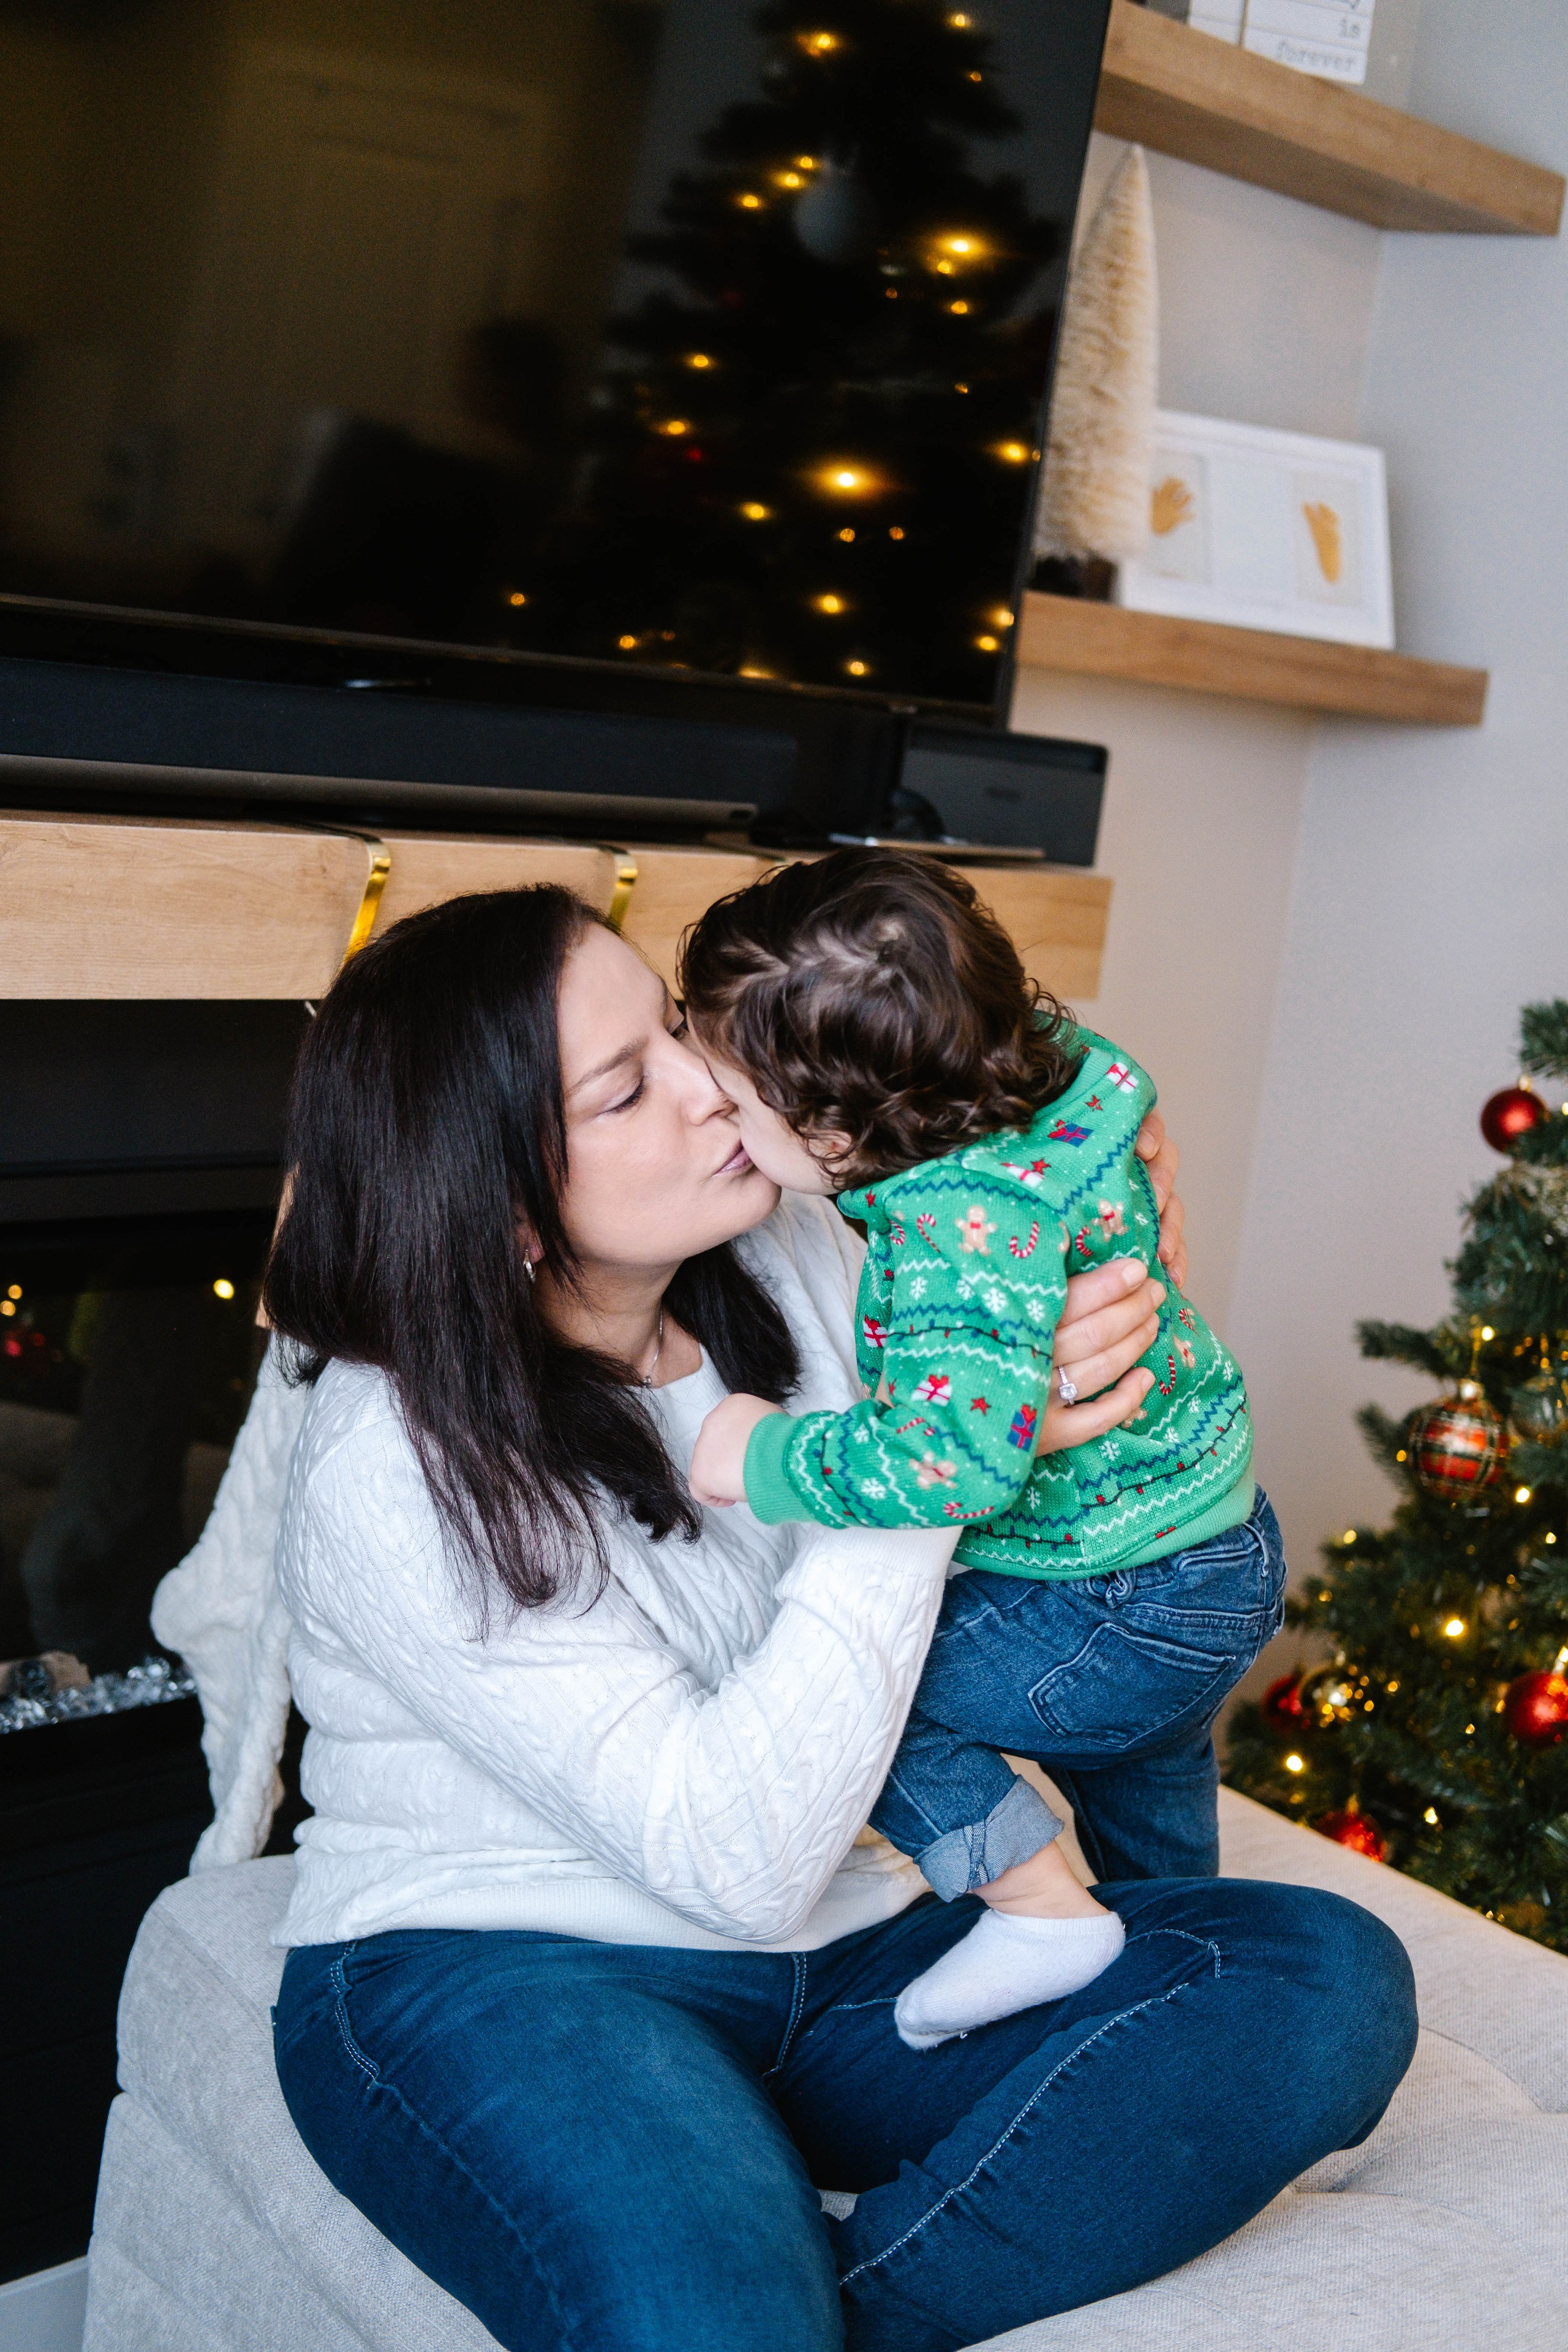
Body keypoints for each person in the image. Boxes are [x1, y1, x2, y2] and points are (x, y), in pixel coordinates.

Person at [263, 884, 1415, 2352]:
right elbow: (735, 1863)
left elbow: (960, 1064)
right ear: (498, 1206)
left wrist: (1096, 1194)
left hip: (862, 1940)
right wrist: (936, 1467)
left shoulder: (793, 1238)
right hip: (507, 1962)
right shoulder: (393, 1462)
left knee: (1320, 1982)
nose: (710, 1087)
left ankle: (852, 2315)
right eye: (626, 1089)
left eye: (675, 1028)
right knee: (710, 2315)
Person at [680, 850, 1282, 2050]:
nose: (712, 1109)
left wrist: (763, 1455)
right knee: (1158, 1817)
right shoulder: (1063, 1074)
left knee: (868, 1702)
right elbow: (1110, 1069)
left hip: (1113, 1592)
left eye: (736, 1103)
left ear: (837, 1130)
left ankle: (1038, 1914)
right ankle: (1202, 1992)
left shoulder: (956, 1227)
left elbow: (950, 1462)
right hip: (1215, 1543)